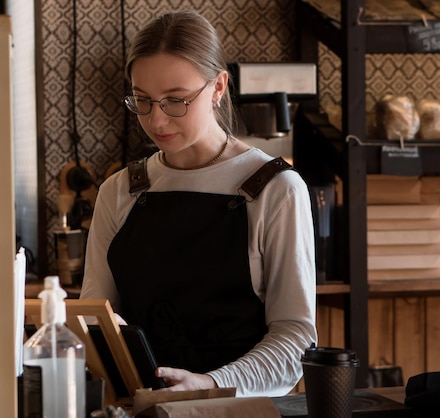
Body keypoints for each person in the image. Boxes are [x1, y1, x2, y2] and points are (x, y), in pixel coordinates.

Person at [79, 10, 317, 397]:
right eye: (142, 100)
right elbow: (94, 318)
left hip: (236, 410)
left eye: (176, 101)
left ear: (219, 87)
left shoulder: (276, 189)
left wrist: (210, 384)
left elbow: (295, 344)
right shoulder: (119, 191)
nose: (156, 121)